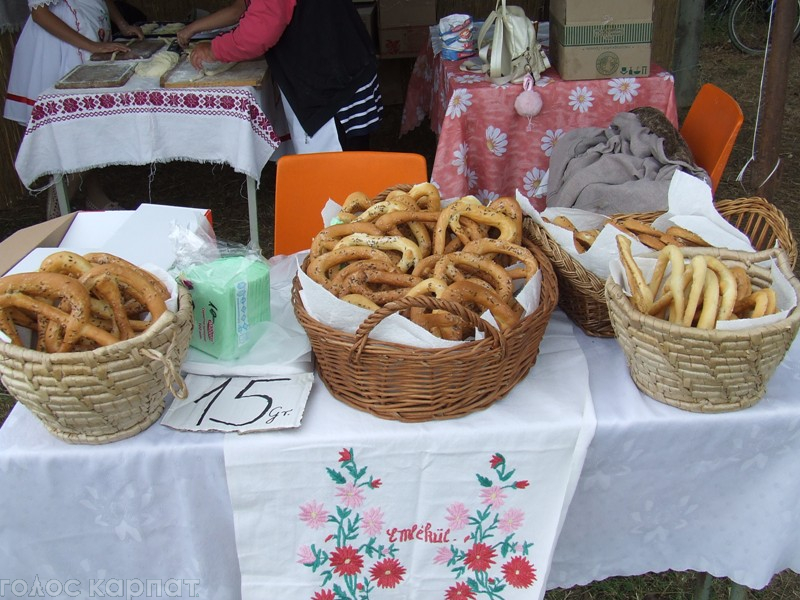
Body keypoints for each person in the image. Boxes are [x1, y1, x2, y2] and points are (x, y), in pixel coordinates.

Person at [176, 0, 383, 153]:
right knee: (346, 176)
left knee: (338, 180)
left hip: (332, 84)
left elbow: (258, 35)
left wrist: (213, 50)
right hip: (341, 67)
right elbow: (246, 10)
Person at [4, 0, 143, 217]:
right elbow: (40, 14)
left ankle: (95, 196)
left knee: (89, 130)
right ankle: (56, 214)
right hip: (62, 47)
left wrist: (122, 24)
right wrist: (92, 46)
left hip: (89, 32)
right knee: (78, 130)